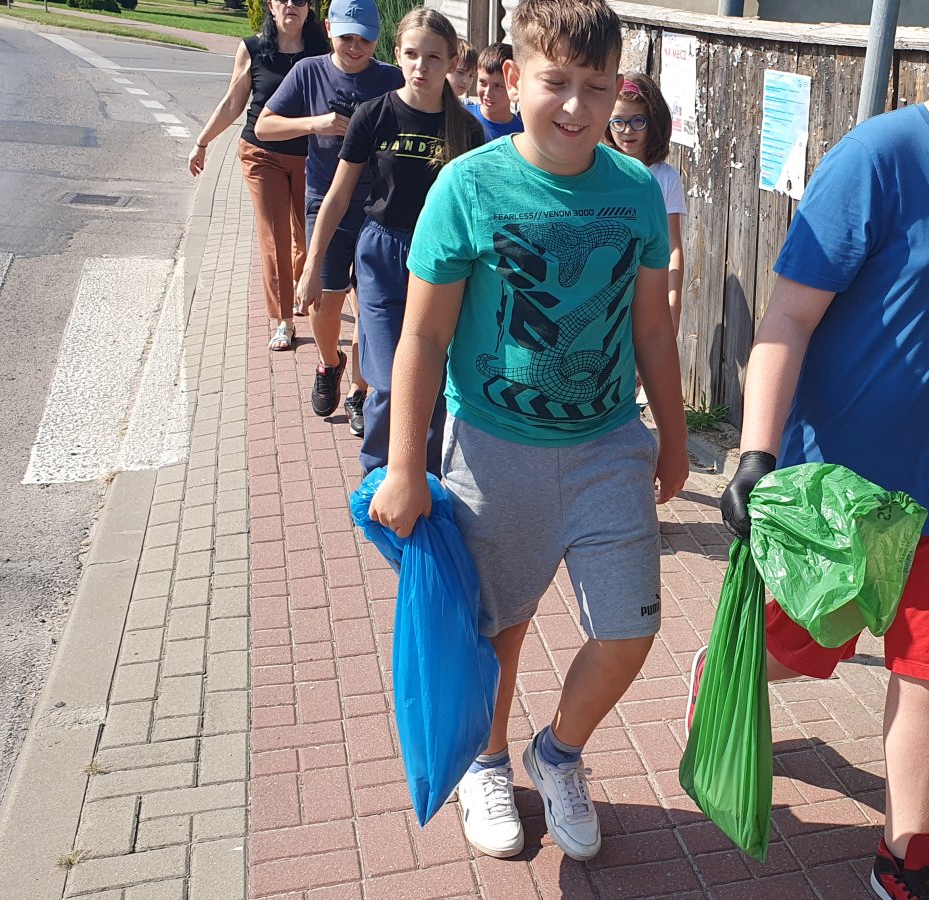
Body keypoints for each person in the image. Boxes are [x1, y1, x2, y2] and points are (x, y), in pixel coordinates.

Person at [711, 0, 929, 896]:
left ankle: (907, 856)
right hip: (840, 484)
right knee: (797, 650)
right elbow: (788, 318)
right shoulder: (875, 160)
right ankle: (720, 678)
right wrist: (757, 455)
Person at [367, 0, 686, 863]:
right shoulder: (467, 188)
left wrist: (673, 434)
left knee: (629, 629)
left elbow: (653, 329)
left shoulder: (634, 191)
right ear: (513, 77)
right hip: (492, 451)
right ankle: (487, 760)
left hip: (608, 446)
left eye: (597, 86)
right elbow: (423, 336)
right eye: (557, 82)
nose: (578, 107)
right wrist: (404, 465)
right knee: (497, 630)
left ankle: (560, 753)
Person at [298, 7, 481, 475]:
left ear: (452, 61)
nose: (422, 66)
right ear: (397, 54)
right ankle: (378, 477)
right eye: (412, 54)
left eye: (434, 57)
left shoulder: (466, 130)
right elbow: (338, 196)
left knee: (432, 378)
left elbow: (477, 211)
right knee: (386, 378)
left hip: (441, 260)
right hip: (381, 254)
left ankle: (428, 480)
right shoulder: (373, 115)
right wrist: (312, 265)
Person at [256, 0, 403, 432]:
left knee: (371, 304)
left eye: (365, 39)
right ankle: (329, 362)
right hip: (325, 202)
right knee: (324, 301)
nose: (355, 47)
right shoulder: (309, 72)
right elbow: (264, 126)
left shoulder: (390, 79)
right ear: (328, 29)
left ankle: (358, 390)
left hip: (378, 204)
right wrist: (315, 123)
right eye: (346, 37)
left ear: (378, 38)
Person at [188, 0, 329, 352]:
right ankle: (284, 320)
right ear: (270, 5)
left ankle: (299, 283)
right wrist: (203, 142)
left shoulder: (322, 52)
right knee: (275, 237)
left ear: (309, 9)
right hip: (261, 155)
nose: (291, 5)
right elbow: (233, 103)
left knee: (307, 237)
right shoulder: (253, 49)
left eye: (300, 0)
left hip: (311, 158)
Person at [602, 72, 684, 335]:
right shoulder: (599, 172)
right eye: (618, 122)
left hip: (650, 293)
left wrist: (673, 301)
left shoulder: (666, 178)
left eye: (638, 121)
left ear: (654, 121)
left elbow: (673, 246)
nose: (627, 130)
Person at [467, 43, 523, 142]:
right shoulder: (462, 117)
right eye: (482, 82)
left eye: (497, 86)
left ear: (513, 86)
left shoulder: (521, 133)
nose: (488, 93)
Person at [449, 39, 477, 106]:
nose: (465, 81)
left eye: (471, 75)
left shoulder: (467, 107)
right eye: (460, 72)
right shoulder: (430, 105)